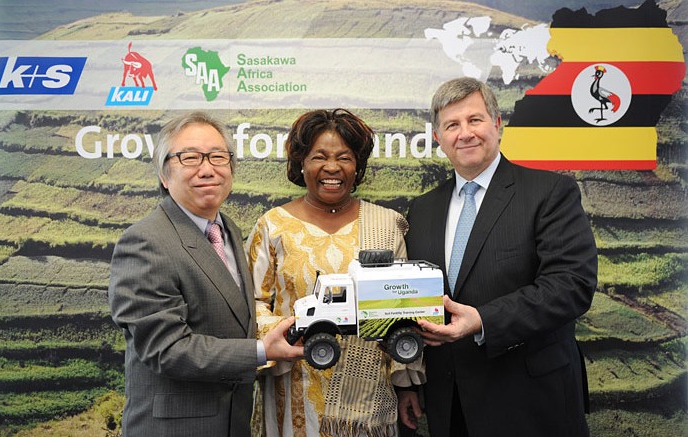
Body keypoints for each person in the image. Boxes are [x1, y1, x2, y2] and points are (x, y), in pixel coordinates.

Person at [397, 78, 597, 437]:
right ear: (439, 139)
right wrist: (410, 381)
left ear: (497, 124)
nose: (465, 133)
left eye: (475, 120)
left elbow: (572, 286)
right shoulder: (423, 209)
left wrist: (481, 320)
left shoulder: (550, 192)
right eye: (452, 125)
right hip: (450, 405)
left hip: (531, 403)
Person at [108, 111, 304, 437]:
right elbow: (166, 349)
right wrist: (261, 351)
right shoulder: (145, 242)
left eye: (217, 157)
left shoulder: (227, 228)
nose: (207, 169)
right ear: (164, 174)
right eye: (190, 158)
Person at [245, 108, 421, 436]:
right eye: (319, 157)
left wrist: (407, 384)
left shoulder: (387, 225)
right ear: (300, 162)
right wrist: (283, 338)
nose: (332, 167)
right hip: (293, 386)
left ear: (358, 166)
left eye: (344, 157)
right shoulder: (273, 226)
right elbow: (252, 302)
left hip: (367, 397)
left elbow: (402, 306)